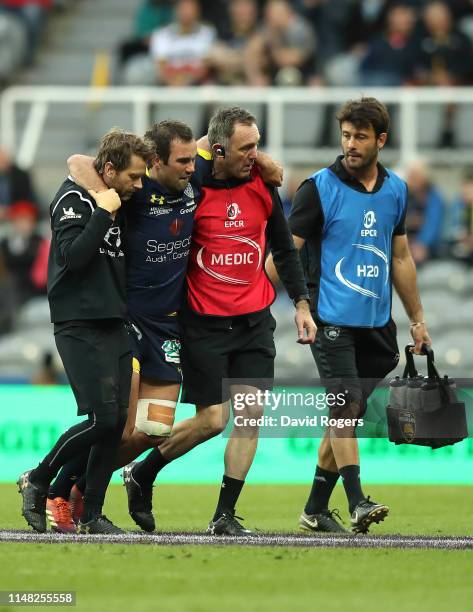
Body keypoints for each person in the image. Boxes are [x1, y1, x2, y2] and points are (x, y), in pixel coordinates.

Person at [46, 119, 284, 533]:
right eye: (184, 161)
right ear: (157, 161)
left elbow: (222, 140)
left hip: (168, 325)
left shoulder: (197, 179)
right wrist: (104, 195)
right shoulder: (135, 190)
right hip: (127, 320)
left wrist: (262, 159)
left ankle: (77, 485)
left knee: (152, 432)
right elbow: (79, 160)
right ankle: (56, 488)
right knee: (117, 422)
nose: (194, 167)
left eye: (195, 158)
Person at [125, 106, 316, 536]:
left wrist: (302, 304)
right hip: (203, 323)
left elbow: (284, 250)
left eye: (258, 146)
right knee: (213, 420)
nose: (255, 154)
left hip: (253, 321)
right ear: (217, 150)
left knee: (250, 416)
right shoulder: (192, 186)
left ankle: (224, 515)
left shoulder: (263, 187)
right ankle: (143, 473)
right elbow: (178, 156)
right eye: (246, 147)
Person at [274, 97, 431, 534]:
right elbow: (286, 254)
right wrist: (297, 302)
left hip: (378, 329)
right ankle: (358, 500)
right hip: (331, 321)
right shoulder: (318, 188)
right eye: (346, 135)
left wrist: (417, 319)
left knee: (344, 416)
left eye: (360, 136)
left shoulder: (397, 190)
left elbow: (400, 258)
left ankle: (314, 509)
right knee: (344, 409)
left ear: (381, 139)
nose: (351, 144)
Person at [17, 128, 155, 535]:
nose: (138, 184)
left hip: (113, 319)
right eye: (132, 176)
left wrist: (111, 203)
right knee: (101, 418)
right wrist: (103, 211)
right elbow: (73, 258)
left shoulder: (113, 195)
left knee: (115, 424)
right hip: (78, 321)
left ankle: (92, 513)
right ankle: (39, 478)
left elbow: (82, 163)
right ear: (110, 170)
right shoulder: (73, 200)